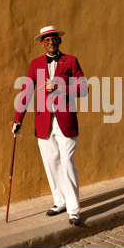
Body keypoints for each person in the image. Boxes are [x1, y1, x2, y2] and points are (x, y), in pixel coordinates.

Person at [10, 26, 88, 225]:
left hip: (65, 120)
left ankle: (74, 210)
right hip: (43, 122)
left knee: (67, 162)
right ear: (42, 43)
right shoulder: (35, 64)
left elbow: (83, 88)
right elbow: (27, 91)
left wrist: (61, 86)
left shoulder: (70, 61)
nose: (51, 42)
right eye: (47, 40)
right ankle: (59, 201)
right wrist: (18, 118)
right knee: (51, 161)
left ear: (59, 42)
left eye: (54, 39)